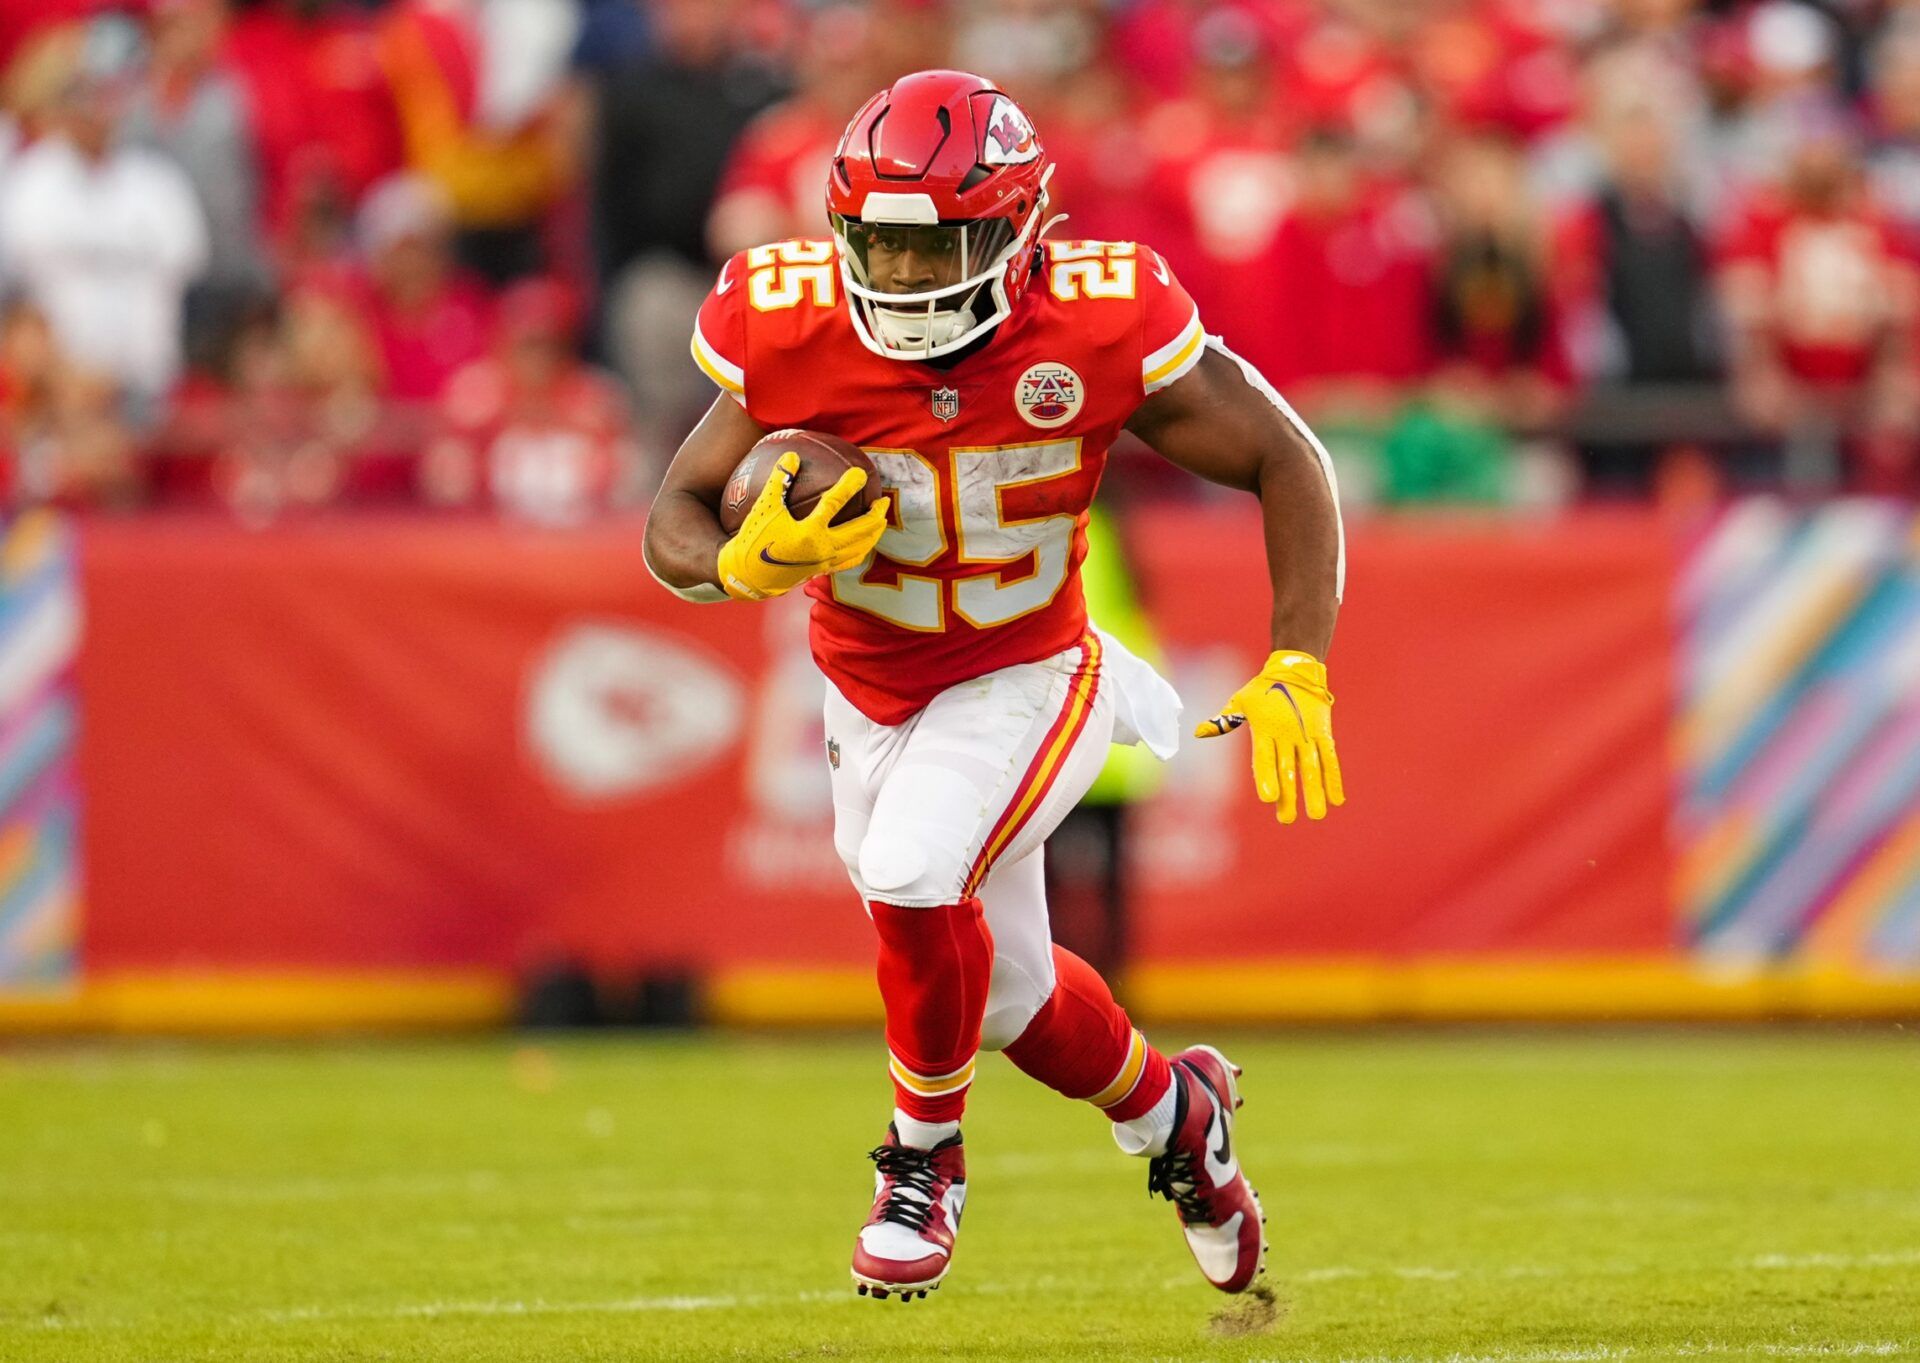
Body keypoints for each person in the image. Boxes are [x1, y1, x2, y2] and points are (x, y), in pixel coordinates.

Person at [643, 72, 1345, 1302]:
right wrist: (735, 565)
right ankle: (1178, 1116)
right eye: (884, 250)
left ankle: (922, 1160)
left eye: (939, 251)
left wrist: (1299, 654)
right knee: (1011, 993)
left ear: (1022, 229)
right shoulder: (791, 320)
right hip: (866, 692)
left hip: (1031, 668)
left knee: (913, 872)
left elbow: (1285, 457)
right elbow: (675, 516)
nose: (906, 283)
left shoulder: (1100, 315)